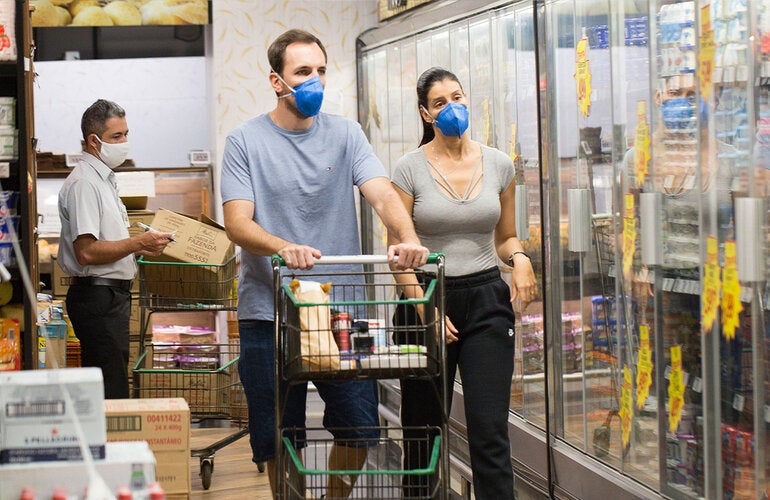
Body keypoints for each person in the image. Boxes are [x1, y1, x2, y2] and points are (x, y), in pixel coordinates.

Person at [219, 29, 429, 498]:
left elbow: (380, 192)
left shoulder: (346, 133)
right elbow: (237, 222)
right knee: (279, 434)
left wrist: (408, 236)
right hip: (269, 312)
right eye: (302, 73)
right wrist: (281, 246)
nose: (314, 81)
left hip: (345, 312)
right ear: (277, 81)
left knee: (360, 427)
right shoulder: (244, 141)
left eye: (319, 71)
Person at [388, 67, 537, 500]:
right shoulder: (409, 168)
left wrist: (522, 259)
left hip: (487, 299)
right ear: (425, 113)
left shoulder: (498, 164)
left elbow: (506, 237)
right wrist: (425, 311)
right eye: (440, 102)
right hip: (424, 298)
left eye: (458, 97)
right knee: (423, 431)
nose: (452, 108)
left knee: (489, 432)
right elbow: (397, 252)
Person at [58, 99, 174, 399]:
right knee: (111, 388)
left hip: (111, 296)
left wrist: (140, 247)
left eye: (126, 134)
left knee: (113, 379)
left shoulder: (104, 180)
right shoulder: (85, 183)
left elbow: (105, 243)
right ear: (93, 141)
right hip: (97, 298)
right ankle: (110, 445)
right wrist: (138, 242)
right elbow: (87, 252)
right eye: (116, 137)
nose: (124, 143)